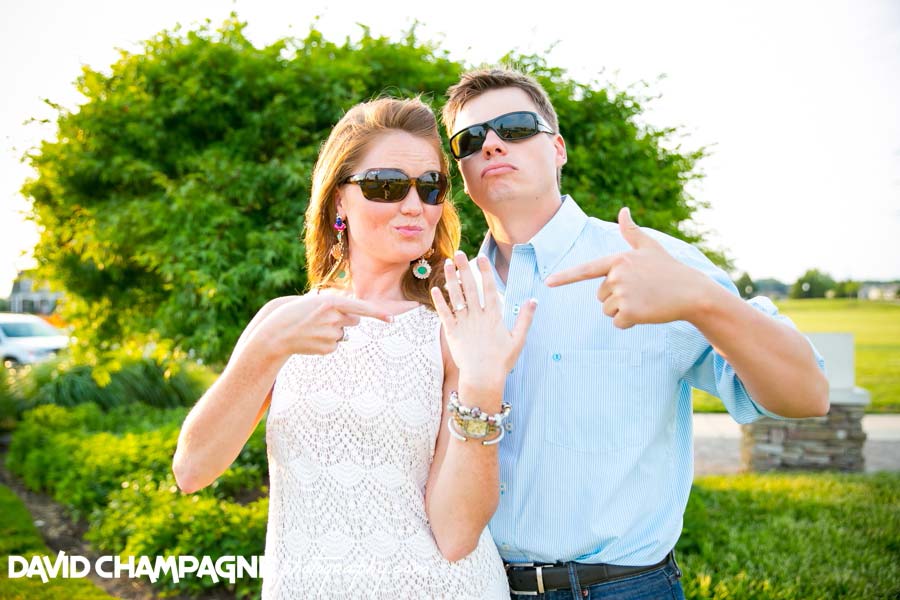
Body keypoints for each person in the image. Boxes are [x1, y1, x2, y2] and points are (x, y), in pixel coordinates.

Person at [440, 68, 829, 599]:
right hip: (474, 585)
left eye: (514, 126)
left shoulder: (652, 263)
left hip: (622, 588)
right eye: (470, 139)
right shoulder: (453, 291)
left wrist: (704, 300)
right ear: (460, 169)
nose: (492, 145)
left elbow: (806, 395)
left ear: (558, 148)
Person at [171, 97, 537, 598]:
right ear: (338, 199)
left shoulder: (453, 325)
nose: (414, 205)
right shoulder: (283, 321)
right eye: (386, 185)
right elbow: (192, 471)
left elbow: (456, 537)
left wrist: (482, 385)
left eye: (431, 187)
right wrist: (266, 351)